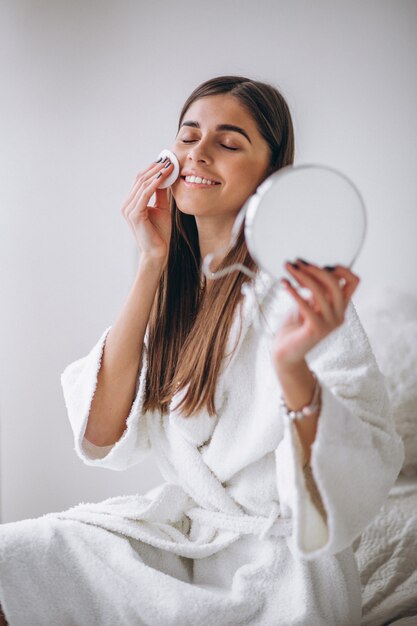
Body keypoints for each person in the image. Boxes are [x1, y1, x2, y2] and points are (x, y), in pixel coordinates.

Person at [0, 75, 404, 626]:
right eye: (188, 137)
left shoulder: (304, 293)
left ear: (271, 174)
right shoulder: (175, 290)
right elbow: (98, 434)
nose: (198, 154)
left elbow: (360, 471)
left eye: (229, 142)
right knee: (14, 559)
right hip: (187, 545)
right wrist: (150, 262)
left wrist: (290, 368)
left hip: (278, 574)